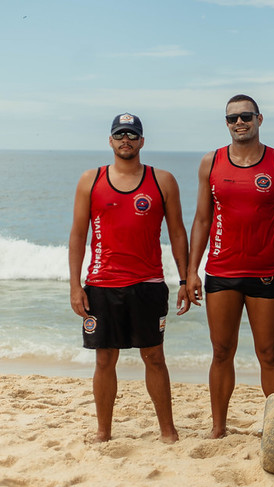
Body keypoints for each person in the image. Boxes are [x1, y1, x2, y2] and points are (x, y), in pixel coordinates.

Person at [187, 94, 274, 438]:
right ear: (226, 123)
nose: (239, 122)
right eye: (232, 118)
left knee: (269, 353)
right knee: (222, 351)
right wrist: (191, 271)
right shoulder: (211, 162)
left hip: (265, 273)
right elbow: (202, 220)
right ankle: (218, 427)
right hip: (220, 272)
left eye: (246, 116)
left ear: (259, 119)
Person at [68, 113, 189, 443]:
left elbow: (178, 233)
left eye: (132, 135)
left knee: (154, 357)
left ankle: (168, 430)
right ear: (110, 140)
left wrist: (184, 279)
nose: (126, 140)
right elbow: (78, 235)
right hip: (102, 285)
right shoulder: (90, 180)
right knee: (105, 359)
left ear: (142, 141)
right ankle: (103, 432)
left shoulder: (162, 180)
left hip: (147, 285)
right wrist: (75, 285)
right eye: (120, 134)